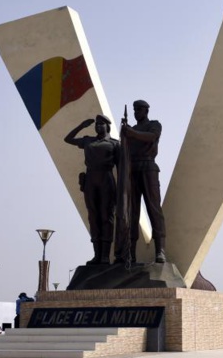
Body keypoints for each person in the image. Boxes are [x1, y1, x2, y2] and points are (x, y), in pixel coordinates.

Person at [64, 115, 120, 265]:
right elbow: (68, 139)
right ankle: (97, 255)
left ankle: (105, 256)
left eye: (101, 124)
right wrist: (81, 125)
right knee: (93, 217)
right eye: (96, 124)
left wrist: (121, 189)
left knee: (106, 217)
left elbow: (121, 168)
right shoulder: (88, 140)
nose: (98, 126)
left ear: (108, 126)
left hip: (106, 179)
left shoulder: (115, 144)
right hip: (90, 179)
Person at [120, 100, 167, 263]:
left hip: (148, 167)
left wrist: (131, 133)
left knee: (154, 210)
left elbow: (151, 137)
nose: (136, 112)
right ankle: (130, 252)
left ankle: (160, 250)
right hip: (132, 170)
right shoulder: (129, 130)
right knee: (132, 213)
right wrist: (124, 135)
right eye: (134, 110)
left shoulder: (154, 125)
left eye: (139, 109)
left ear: (146, 111)